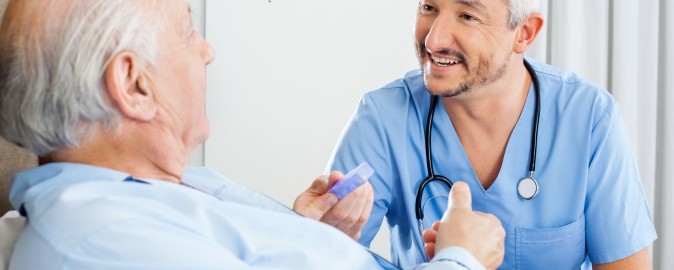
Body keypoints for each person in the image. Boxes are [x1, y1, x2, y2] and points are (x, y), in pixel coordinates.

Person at [0, 0, 506, 269]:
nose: (207, 50)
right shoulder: (104, 245)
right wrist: (464, 259)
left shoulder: (160, 187)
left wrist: (310, 233)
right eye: (185, 29)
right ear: (134, 85)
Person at [327, 0, 657, 269]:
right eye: (428, 7)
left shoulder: (589, 118)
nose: (434, 40)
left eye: (467, 15)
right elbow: (324, 252)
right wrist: (309, 231)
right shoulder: (382, 118)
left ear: (524, 33)